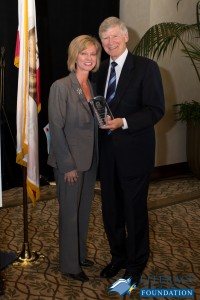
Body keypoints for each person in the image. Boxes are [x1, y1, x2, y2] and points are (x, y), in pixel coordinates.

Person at [93, 17, 165, 285]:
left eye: (114, 36)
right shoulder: (99, 71)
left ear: (125, 37)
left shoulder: (147, 68)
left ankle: (136, 264)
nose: (110, 42)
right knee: (110, 210)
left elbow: (155, 110)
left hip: (135, 153)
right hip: (107, 153)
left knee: (134, 212)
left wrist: (123, 122)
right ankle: (118, 257)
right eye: (105, 38)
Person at [47, 35, 101, 282]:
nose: (89, 58)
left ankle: (79, 253)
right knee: (69, 213)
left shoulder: (93, 86)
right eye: (84, 53)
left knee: (83, 210)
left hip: (89, 161)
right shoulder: (61, 86)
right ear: (74, 57)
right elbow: (56, 129)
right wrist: (67, 165)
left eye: (93, 54)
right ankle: (69, 265)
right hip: (70, 163)